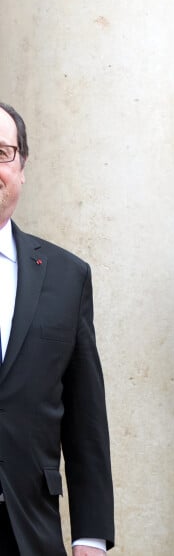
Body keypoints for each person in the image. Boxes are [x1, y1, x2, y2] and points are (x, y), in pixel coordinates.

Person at [0, 102, 114, 555]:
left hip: (28, 531)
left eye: (2, 153)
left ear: (22, 167)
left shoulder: (67, 276)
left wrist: (91, 537)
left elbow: (86, 415)